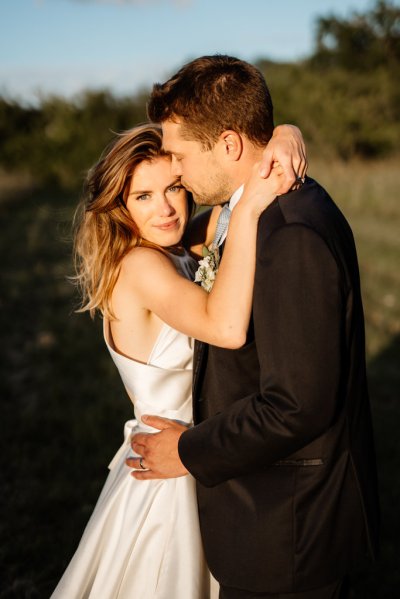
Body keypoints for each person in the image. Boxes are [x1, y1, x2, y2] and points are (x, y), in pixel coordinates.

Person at [129, 55, 380, 599]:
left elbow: (297, 403)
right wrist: (285, 132)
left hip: (292, 531)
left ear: (228, 145)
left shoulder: (290, 234)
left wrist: (189, 451)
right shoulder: (241, 211)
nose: (175, 170)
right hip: (269, 518)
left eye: (180, 154)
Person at [51, 121, 306, 598]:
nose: (166, 207)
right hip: (169, 471)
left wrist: (287, 133)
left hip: (199, 453)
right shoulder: (140, 265)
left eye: (173, 186)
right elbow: (226, 328)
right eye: (142, 196)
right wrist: (249, 211)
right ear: (119, 206)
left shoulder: (177, 248)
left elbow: (241, 185)